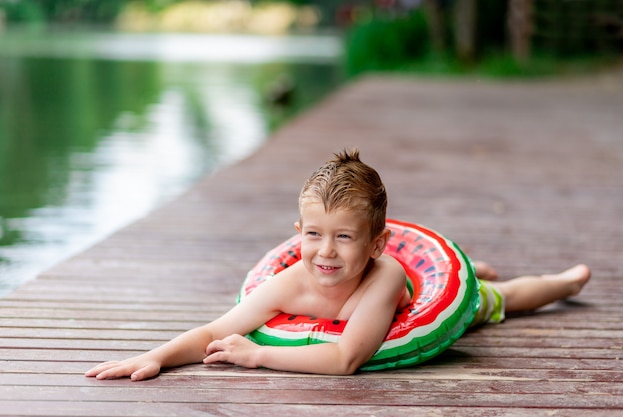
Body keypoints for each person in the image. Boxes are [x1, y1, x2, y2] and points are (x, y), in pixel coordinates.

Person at [85, 149, 591, 381]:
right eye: (313, 235)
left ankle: (556, 282)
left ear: (375, 244)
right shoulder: (292, 281)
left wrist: (258, 356)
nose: (325, 252)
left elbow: (347, 359)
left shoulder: (385, 273)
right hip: (372, 293)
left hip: (413, 301)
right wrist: (155, 356)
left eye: (344, 237)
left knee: (498, 300)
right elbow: (215, 331)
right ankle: (481, 265)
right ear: (297, 234)